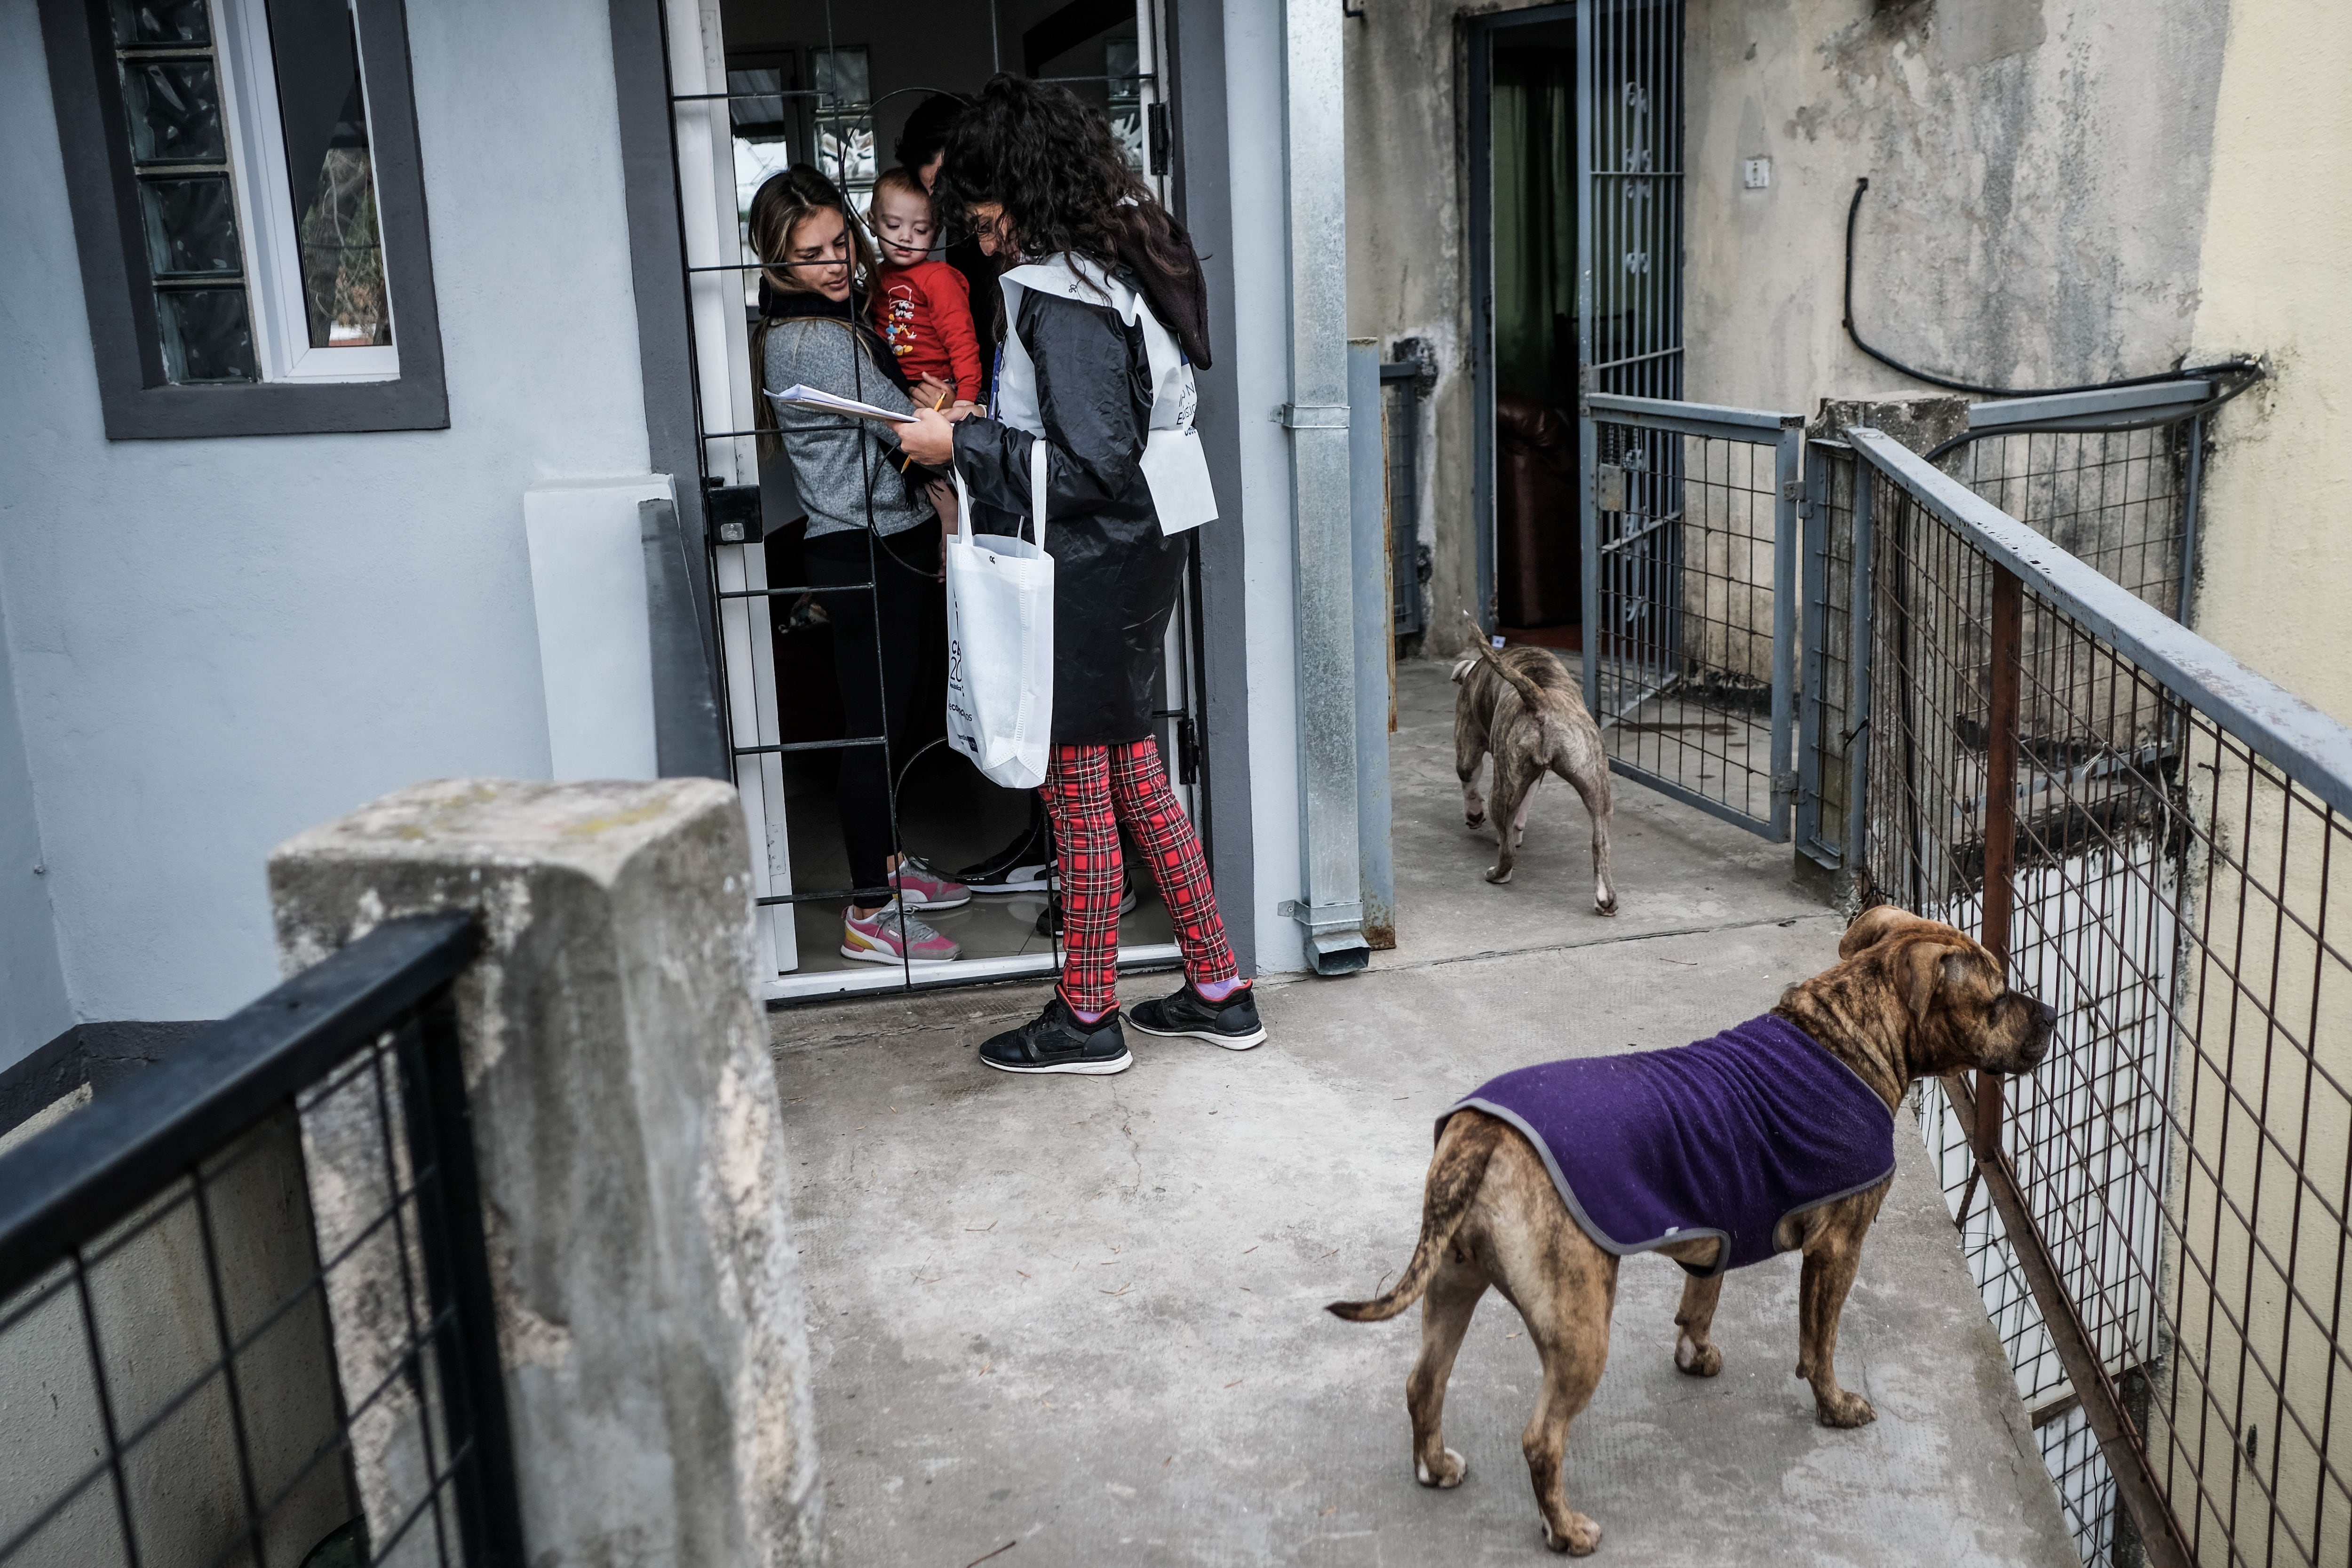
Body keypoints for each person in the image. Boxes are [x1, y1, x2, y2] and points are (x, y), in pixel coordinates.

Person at [899, 75, 1263, 1076]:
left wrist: (956, 445)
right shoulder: (1130, 246)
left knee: (1078, 791)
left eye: (979, 220)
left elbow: (1091, 464)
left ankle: (1087, 1017)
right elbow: (1116, 442)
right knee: (1135, 774)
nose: (977, 243)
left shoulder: (1057, 294)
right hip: (1140, 553)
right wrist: (978, 428)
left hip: (1089, 564)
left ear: (1020, 191)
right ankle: (1221, 987)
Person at [749, 165, 969, 969]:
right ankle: (869, 910)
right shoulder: (812, 338)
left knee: (898, 716)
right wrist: (946, 414)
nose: (838, 263)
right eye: (813, 254)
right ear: (778, 263)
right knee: (873, 730)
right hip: (863, 545)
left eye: (842, 242)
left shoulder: (830, 324)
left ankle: (887, 864)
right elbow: (907, 429)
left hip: (885, 537)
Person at [868, 167, 985, 402]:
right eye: (893, 225)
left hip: (937, 387)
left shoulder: (939, 279)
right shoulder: (875, 276)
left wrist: (966, 398)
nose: (906, 237)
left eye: (920, 230)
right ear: (873, 224)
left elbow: (962, 341)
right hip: (891, 385)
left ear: (936, 232)